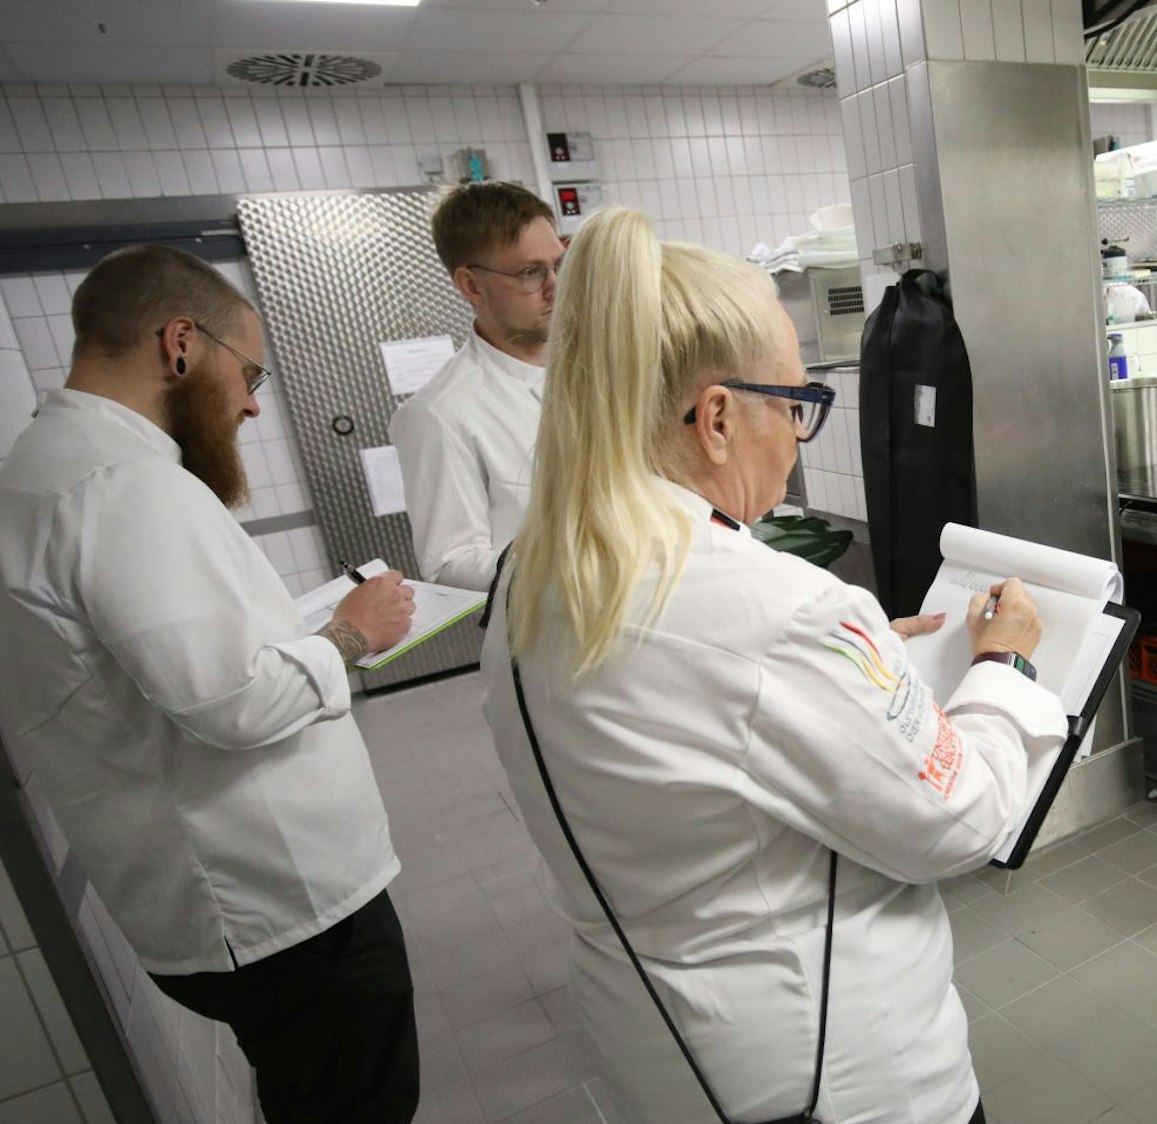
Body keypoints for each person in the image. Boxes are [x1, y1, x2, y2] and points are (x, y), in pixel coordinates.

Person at [479, 207, 1067, 1124]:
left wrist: (856, 671)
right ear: (716, 416)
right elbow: (958, 824)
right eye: (796, 406)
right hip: (832, 1078)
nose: (797, 437)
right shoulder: (774, 609)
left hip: (666, 1053)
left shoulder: (537, 567)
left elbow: (698, 715)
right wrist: (1003, 667)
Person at [0, 246, 420, 1123]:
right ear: (181, 343)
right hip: (277, 907)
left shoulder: (46, 466)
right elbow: (232, 701)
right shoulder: (122, 486)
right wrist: (351, 634)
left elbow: (175, 666)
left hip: (219, 904)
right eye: (249, 373)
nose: (252, 402)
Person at [391, 180, 564, 591]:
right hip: (555, 622)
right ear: (471, 285)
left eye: (559, 265)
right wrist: (573, 569)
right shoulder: (440, 413)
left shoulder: (599, 365)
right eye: (530, 272)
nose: (555, 286)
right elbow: (450, 563)